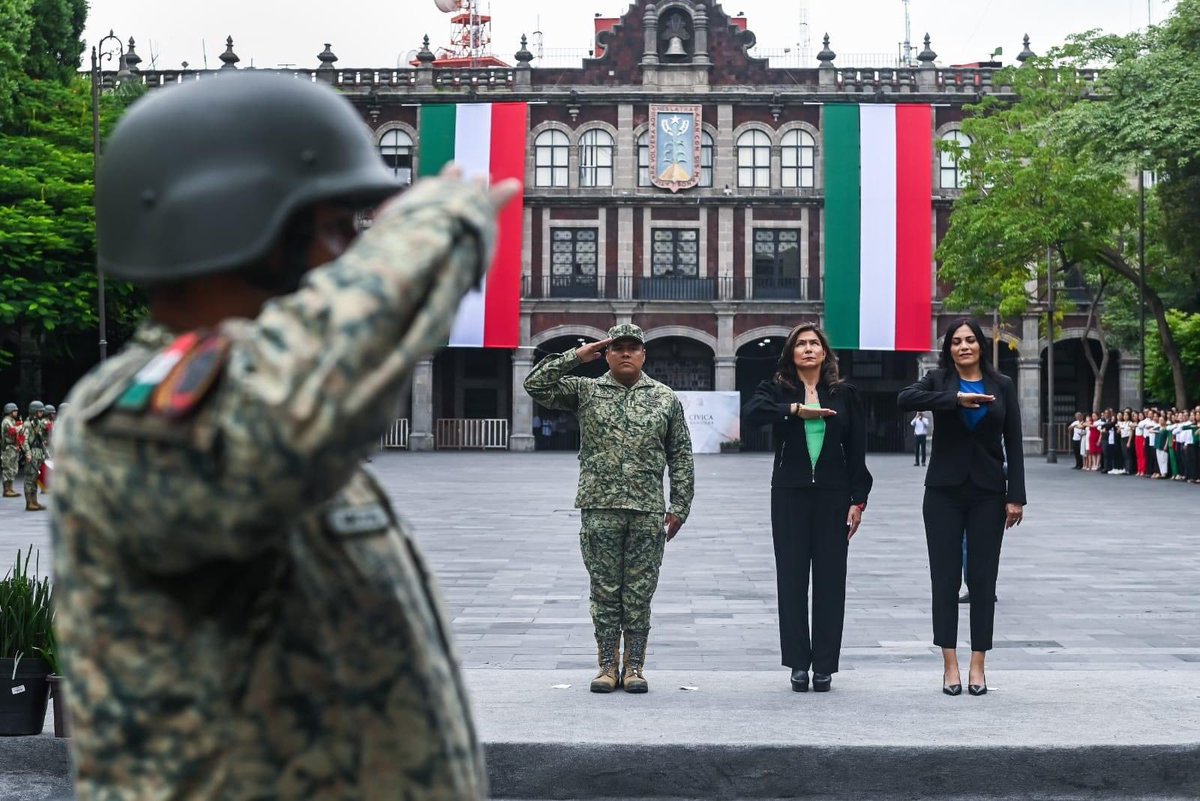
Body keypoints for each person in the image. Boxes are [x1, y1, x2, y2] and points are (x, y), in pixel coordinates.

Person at [51, 73, 517, 800]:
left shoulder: (287, 415)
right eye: (335, 229)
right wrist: (432, 231)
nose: (352, 256)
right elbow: (281, 415)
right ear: (234, 224)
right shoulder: (136, 421)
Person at [523, 324, 694, 694]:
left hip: (647, 509)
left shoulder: (664, 398)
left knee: (639, 591)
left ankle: (634, 667)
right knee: (604, 590)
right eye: (618, 348)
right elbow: (535, 386)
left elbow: (680, 453)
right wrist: (577, 356)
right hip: (599, 508)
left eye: (634, 348)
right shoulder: (586, 391)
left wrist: (680, 503)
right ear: (608, 353)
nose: (626, 354)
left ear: (644, 354)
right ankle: (606, 665)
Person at [897, 318, 1026, 697]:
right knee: (946, 578)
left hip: (989, 492)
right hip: (943, 492)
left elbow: (1014, 443)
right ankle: (949, 664)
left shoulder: (1001, 385)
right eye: (956, 341)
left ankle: (978, 664)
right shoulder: (937, 381)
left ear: (981, 346)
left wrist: (1015, 495)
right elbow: (904, 400)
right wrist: (954, 400)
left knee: (984, 580)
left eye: (970, 340)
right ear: (949, 348)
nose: (964, 346)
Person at [744, 323, 872, 693]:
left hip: (834, 496)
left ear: (824, 352)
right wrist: (795, 410)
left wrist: (857, 500)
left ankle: (825, 666)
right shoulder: (777, 389)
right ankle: (799, 663)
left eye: (814, 343)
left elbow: (858, 452)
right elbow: (753, 412)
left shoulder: (844, 393)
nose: (808, 349)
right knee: (792, 579)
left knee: (831, 582)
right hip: (789, 493)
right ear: (791, 354)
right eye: (800, 344)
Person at [20, 400, 48, 511]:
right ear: (33, 412)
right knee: (29, 479)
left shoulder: (38, 424)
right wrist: (27, 453)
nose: (41, 414)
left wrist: (45, 453)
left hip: (38, 454)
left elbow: (41, 441)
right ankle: (29, 503)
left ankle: (34, 501)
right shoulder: (27, 425)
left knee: (35, 478)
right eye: (39, 411)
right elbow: (24, 441)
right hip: (31, 453)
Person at [1, 403, 21, 498]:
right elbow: (12, 431)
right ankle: (6, 490)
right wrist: (20, 427)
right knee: (8, 468)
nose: (16, 412)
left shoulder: (12, 420)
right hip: (8, 447)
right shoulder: (6, 421)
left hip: (13, 447)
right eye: (14, 411)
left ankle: (10, 488)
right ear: (9, 411)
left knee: (13, 468)